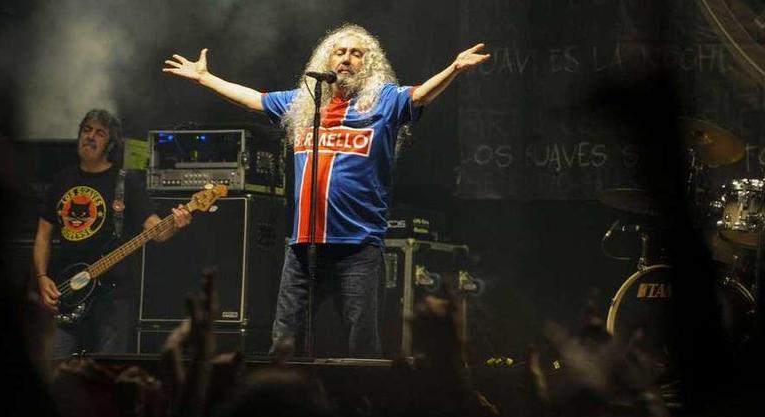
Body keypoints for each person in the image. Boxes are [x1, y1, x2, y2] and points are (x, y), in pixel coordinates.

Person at [163, 24, 490, 358]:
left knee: (361, 346)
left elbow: (420, 95)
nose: (346, 59)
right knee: (285, 343)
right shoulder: (305, 103)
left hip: (357, 247)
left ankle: (360, 406)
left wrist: (454, 69)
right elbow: (253, 100)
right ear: (327, 59)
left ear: (369, 63)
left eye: (355, 53)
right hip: (303, 246)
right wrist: (205, 78)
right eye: (340, 51)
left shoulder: (383, 101)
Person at [33, 109, 192, 358]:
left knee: (107, 369)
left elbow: (156, 232)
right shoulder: (62, 180)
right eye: (86, 130)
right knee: (53, 366)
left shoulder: (125, 183)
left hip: (112, 296)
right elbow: (43, 234)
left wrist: (176, 222)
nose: (90, 137)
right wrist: (42, 277)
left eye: (99, 133)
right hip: (67, 290)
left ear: (110, 144)